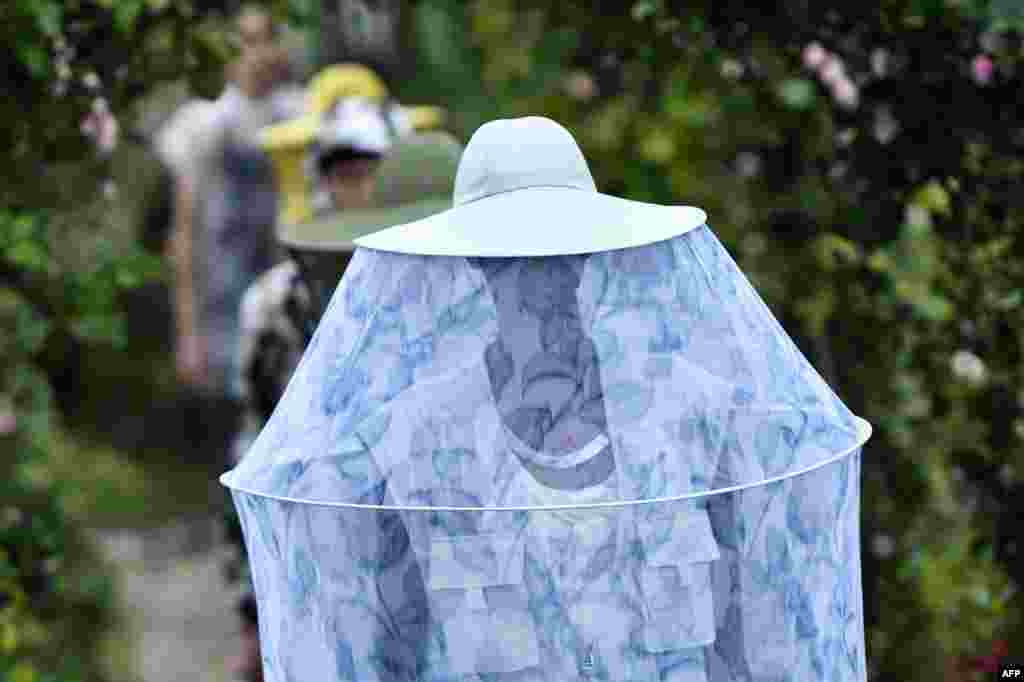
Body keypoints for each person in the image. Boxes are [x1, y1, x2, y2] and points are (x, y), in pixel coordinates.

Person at [167, 3, 302, 411]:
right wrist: (188, 334)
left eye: (265, 40)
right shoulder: (202, 124)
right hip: (222, 303)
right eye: (245, 42)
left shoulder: (298, 116)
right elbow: (183, 235)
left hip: (285, 302)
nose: (256, 54)